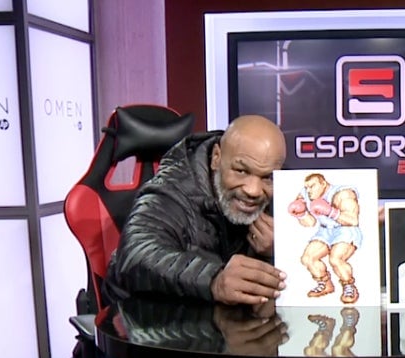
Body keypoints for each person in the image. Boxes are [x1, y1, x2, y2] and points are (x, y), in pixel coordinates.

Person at [105, 115, 288, 306]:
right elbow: (136, 254)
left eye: (267, 177)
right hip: (143, 315)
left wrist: (281, 251)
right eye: (241, 171)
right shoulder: (171, 190)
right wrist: (214, 278)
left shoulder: (283, 192)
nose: (254, 190)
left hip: (222, 318)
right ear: (216, 157)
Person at [286, 173, 361, 304]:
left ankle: (349, 286)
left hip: (345, 229)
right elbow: (310, 223)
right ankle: (325, 284)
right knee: (307, 258)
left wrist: (330, 211)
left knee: (335, 259)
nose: (309, 190)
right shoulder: (305, 194)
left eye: (312, 186)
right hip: (325, 230)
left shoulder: (343, 194)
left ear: (323, 184)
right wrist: (301, 214)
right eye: (307, 187)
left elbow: (353, 220)